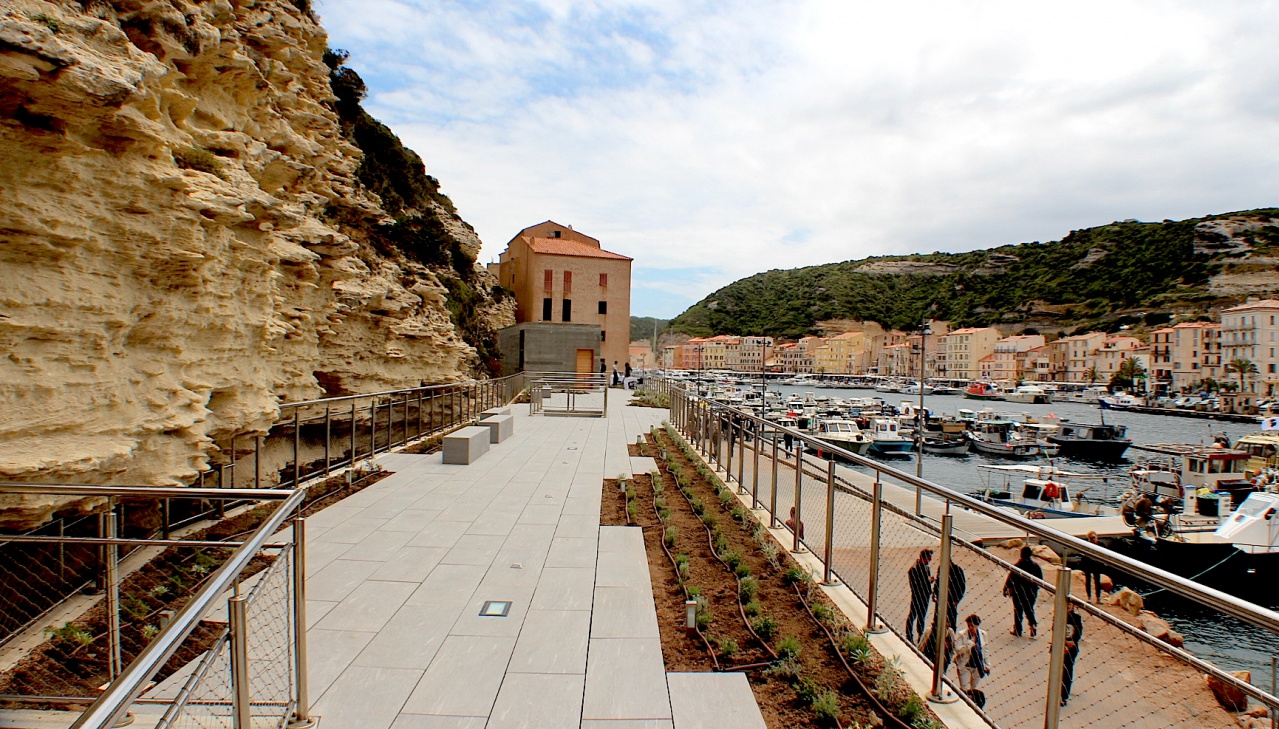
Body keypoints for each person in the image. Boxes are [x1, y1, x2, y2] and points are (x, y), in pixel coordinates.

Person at [1003, 546, 1043, 637]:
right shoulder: (1036, 566)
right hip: (1031, 592)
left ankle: (1018, 629)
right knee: (1029, 609)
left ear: (1021, 554)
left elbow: (1010, 578)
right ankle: (1033, 625)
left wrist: (1006, 588)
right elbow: (1040, 580)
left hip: (1018, 592)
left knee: (1018, 611)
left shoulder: (1017, 566)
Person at [953, 614, 990, 708]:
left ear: (977, 625)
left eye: (972, 626)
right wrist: (971, 643)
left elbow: (985, 650)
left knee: (973, 689)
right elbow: (958, 650)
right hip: (965, 665)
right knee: (964, 689)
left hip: (977, 666)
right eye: (968, 625)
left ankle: (971, 706)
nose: (970, 628)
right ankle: (963, 704)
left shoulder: (983, 634)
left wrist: (987, 665)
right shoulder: (962, 634)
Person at [906, 549, 934, 643]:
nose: (930, 561)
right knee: (913, 615)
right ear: (924, 558)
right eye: (929, 558)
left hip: (925, 595)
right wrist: (928, 581)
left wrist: (929, 581)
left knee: (922, 617)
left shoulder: (926, 568)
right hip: (917, 596)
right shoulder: (914, 569)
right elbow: (915, 585)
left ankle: (920, 635)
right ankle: (909, 635)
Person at [1060, 600, 1084, 706]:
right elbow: (1054, 631)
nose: (1068, 607)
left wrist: (1070, 644)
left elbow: (1078, 634)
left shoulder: (1076, 618)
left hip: (1071, 648)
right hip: (1059, 647)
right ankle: (1056, 692)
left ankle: (1064, 696)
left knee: (1067, 671)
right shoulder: (1059, 616)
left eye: (1070, 605)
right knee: (1057, 671)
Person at [934, 559, 967, 631]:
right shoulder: (941, 568)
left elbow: (962, 586)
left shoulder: (958, 570)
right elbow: (937, 582)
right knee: (937, 619)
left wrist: (957, 600)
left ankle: (951, 638)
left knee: (951, 621)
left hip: (952, 599)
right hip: (941, 598)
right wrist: (935, 593)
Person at [1079, 531, 1104, 604]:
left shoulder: (1101, 545)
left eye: (1094, 538)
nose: (1092, 540)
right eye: (1091, 538)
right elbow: (1083, 556)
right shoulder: (1087, 545)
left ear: (1097, 537)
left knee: (1097, 581)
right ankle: (1089, 597)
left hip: (1097, 565)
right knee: (1088, 581)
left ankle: (1098, 597)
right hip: (1088, 564)